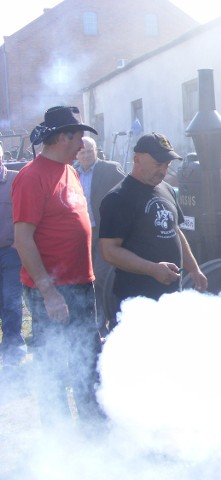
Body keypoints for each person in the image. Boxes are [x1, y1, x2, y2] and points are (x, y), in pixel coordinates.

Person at [12, 106, 105, 427]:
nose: (82, 144)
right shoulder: (31, 177)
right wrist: (49, 293)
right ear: (62, 136)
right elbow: (23, 239)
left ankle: (92, 435)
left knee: (88, 362)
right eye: (78, 136)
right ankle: (59, 441)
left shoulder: (71, 172)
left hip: (81, 284)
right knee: (55, 367)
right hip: (51, 291)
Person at [99, 132, 207, 322]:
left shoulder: (166, 189)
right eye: (158, 164)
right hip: (137, 304)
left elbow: (175, 230)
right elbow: (109, 251)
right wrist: (153, 269)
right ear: (137, 159)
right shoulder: (118, 198)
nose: (163, 170)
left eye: (167, 165)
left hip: (171, 299)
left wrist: (194, 269)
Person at [75, 136, 125, 336]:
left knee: (103, 274)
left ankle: (113, 317)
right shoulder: (71, 172)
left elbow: (127, 191)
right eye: (82, 152)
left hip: (105, 232)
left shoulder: (110, 169)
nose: (86, 155)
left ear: (96, 151)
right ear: (77, 154)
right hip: (82, 233)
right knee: (89, 277)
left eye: (90, 151)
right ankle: (98, 321)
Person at [0, 142, 26, 367]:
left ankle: (12, 350)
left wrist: (20, 243)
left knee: (11, 300)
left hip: (10, 252)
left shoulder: (15, 180)